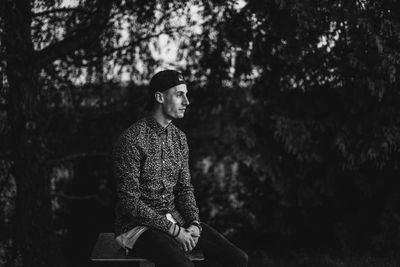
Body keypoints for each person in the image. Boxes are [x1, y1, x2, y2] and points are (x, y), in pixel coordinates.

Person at [112, 69, 248, 267]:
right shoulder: (131, 140)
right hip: (136, 228)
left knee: (237, 259)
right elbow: (130, 203)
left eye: (186, 94)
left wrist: (193, 223)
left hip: (175, 219)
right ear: (159, 97)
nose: (187, 101)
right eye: (179, 95)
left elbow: (184, 188)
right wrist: (175, 231)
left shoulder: (179, 138)